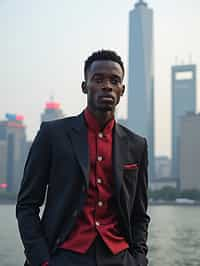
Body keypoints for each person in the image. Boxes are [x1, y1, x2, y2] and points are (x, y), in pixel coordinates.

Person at [16, 50, 150, 266]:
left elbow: (139, 214)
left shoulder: (137, 145)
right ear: (84, 86)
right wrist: (41, 260)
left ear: (122, 90)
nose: (107, 85)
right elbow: (26, 205)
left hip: (120, 257)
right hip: (62, 255)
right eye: (98, 79)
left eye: (114, 80)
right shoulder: (52, 134)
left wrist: (139, 260)